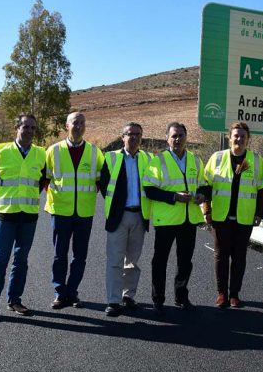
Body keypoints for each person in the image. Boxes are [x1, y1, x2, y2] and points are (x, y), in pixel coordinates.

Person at [0, 113, 47, 324]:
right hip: (7, 215)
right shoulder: (3, 152)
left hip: (29, 216)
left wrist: (29, 198)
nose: (28, 131)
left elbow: (41, 181)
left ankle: (15, 300)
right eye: (25, 127)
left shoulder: (40, 154)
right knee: (0, 259)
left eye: (32, 128)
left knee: (21, 260)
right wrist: (5, 200)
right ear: (17, 128)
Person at [202, 122, 263, 308]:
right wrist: (206, 210)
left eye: (243, 136)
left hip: (244, 217)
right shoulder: (216, 158)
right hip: (220, 217)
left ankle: (234, 294)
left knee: (239, 257)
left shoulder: (256, 160)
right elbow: (205, 186)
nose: (238, 139)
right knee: (221, 256)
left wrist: (259, 214)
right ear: (229, 137)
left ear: (248, 139)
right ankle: (221, 293)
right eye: (235, 135)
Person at [143, 122, 206, 314]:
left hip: (189, 219)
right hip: (166, 220)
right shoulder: (158, 161)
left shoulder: (195, 160)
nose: (177, 139)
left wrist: (203, 195)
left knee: (185, 261)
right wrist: (174, 196)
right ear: (167, 139)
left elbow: (203, 184)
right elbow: (149, 189)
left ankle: (181, 297)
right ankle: (158, 299)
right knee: (160, 261)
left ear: (186, 137)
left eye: (180, 135)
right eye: (174, 136)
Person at [45, 111, 104, 309]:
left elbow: (100, 181)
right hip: (60, 212)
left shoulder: (95, 152)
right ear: (66, 126)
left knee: (80, 256)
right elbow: (45, 179)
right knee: (59, 254)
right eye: (74, 123)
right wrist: (57, 196)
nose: (78, 126)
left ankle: (72, 292)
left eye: (82, 123)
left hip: (84, 213)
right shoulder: (53, 151)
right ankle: (60, 293)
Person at [98, 122, 151, 317]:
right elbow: (104, 185)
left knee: (133, 261)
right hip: (118, 217)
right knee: (115, 260)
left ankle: (128, 296)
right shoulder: (111, 158)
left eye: (138, 134)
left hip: (140, 215)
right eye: (130, 134)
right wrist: (116, 205)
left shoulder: (148, 158)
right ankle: (113, 301)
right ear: (123, 137)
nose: (134, 137)